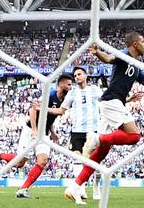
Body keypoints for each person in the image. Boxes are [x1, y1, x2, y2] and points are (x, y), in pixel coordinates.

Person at [64, 32, 144, 205]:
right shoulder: (125, 55)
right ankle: (96, 138)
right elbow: (108, 59)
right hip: (112, 101)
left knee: (101, 153)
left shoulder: (137, 66)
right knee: (134, 136)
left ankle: (75, 187)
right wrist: (97, 52)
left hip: (111, 104)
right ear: (135, 44)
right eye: (143, 42)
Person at [0, 74, 71, 198]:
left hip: (44, 134)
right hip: (30, 130)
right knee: (20, 163)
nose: (71, 87)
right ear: (61, 84)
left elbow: (49, 118)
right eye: (69, 84)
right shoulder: (49, 95)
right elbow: (33, 110)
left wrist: (52, 132)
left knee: (42, 161)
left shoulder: (63, 101)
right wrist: (34, 129)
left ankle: (23, 190)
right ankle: (1, 156)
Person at [61, 66, 103, 200]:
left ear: (86, 76)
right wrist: (45, 108)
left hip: (93, 130)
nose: (77, 77)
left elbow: (108, 100)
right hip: (77, 131)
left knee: (95, 162)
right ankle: (81, 189)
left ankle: (96, 188)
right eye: (75, 75)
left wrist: (128, 99)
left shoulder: (95, 90)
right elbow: (62, 110)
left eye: (79, 74)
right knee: (79, 159)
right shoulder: (72, 93)